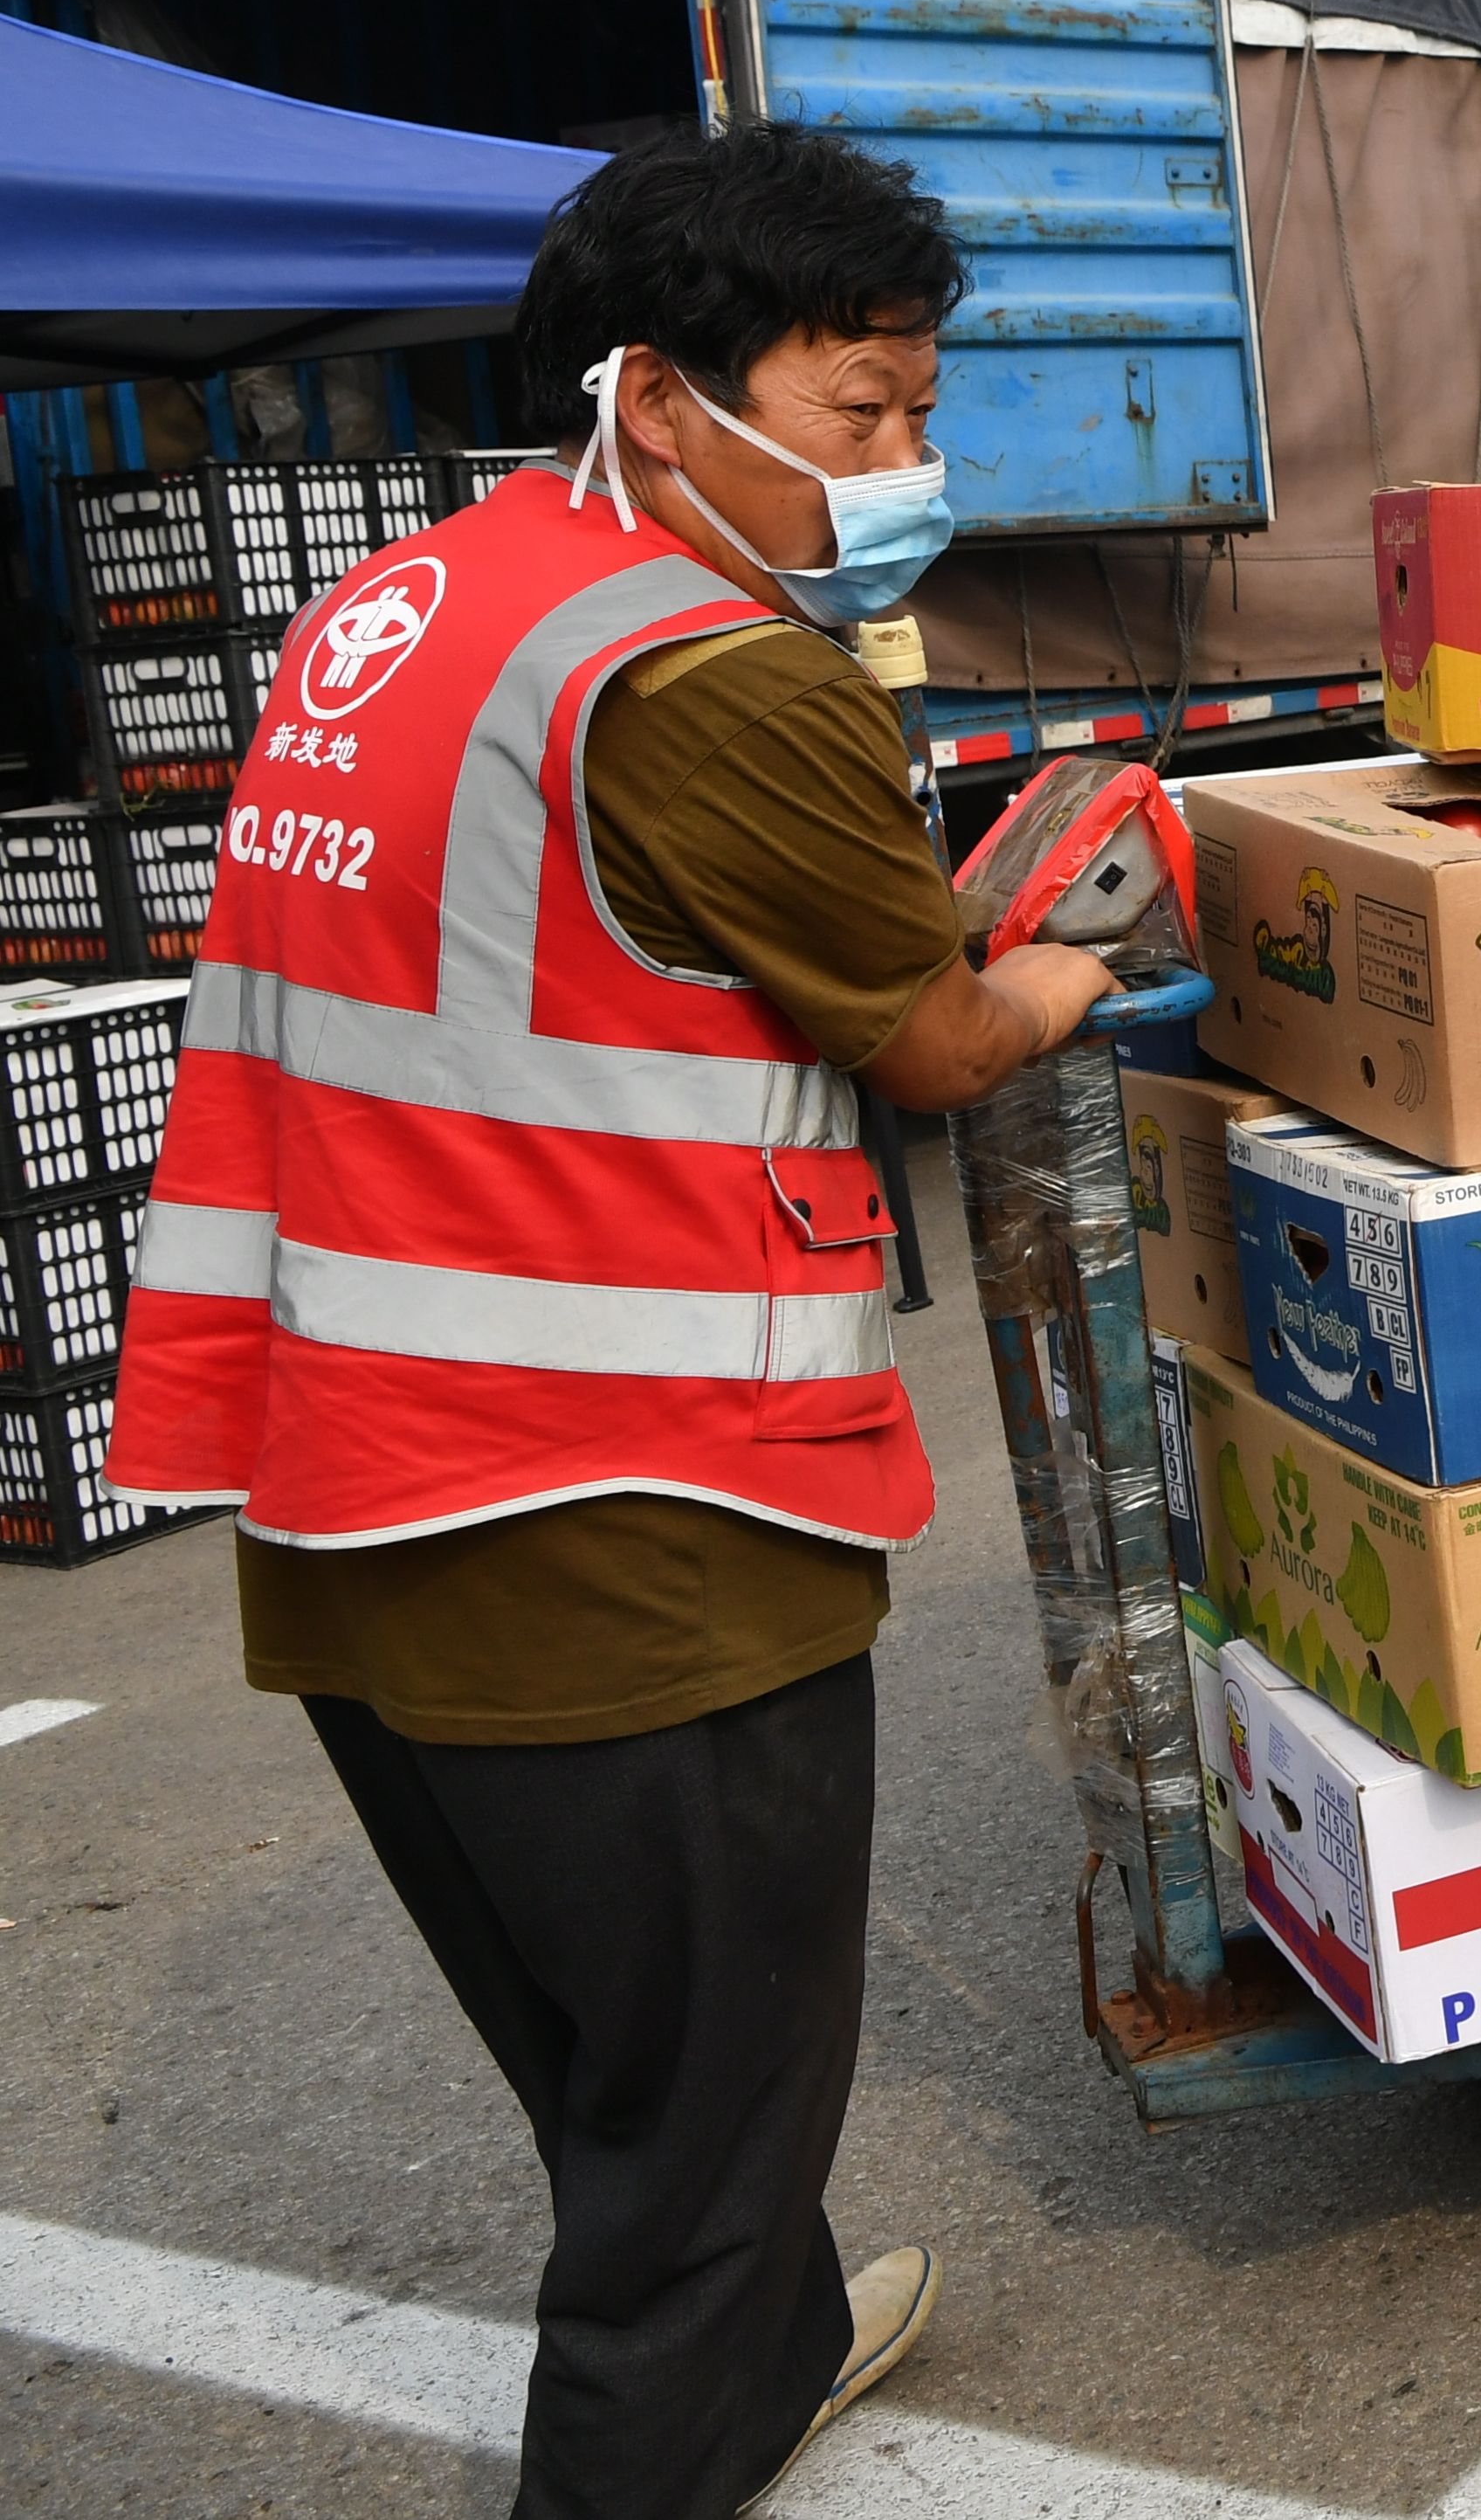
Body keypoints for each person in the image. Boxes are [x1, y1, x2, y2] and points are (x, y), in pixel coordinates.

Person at [109, 124, 1120, 2516]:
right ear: (659, 393)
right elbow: (933, 1040)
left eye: (916, 412)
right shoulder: (710, 675)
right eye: (861, 415)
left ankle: (767, 2338)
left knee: (619, 2059)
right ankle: (679, 2411)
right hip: (628, 1516)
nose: (905, 466)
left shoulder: (416, 599)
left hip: (355, 1490)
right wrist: (1046, 978)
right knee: (704, 2120)